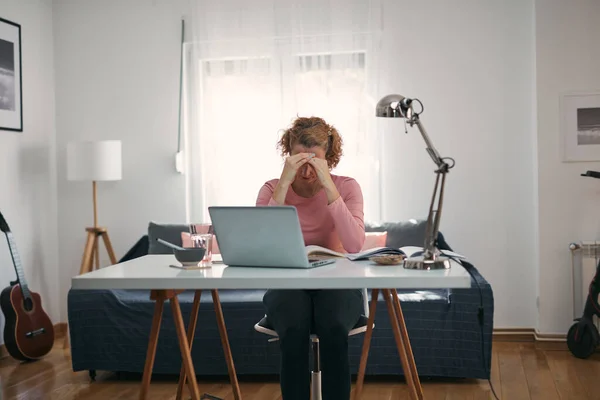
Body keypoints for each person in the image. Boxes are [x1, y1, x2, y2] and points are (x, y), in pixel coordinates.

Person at [256, 116, 366, 400]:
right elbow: (262, 244)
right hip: (288, 283)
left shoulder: (347, 186)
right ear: (288, 156)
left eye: (314, 162)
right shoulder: (271, 189)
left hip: (339, 283)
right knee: (292, 329)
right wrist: (283, 183)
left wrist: (329, 187)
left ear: (329, 157)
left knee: (333, 327)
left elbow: (354, 245)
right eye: (298, 161)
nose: (306, 172)